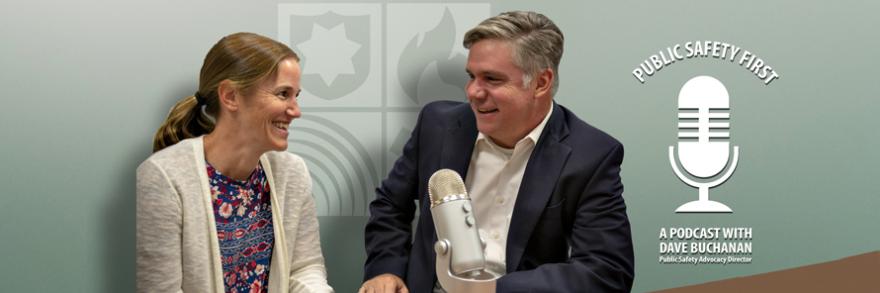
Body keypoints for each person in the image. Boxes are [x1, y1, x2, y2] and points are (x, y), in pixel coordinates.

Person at [361, 11, 634, 293]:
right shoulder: (437, 125)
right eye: (471, 76)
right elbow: (390, 206)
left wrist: (492, 290)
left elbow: (606, 271)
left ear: (541, 83)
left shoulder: (590, 155)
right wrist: (385, 269)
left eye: (491, 79)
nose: (472, 92)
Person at [137, 32, 334, 293]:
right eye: (283, 94)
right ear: (230, 96)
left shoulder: (291, 172)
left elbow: (304, 267)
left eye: (296, 95)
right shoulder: (164, 177)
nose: (296, 111)